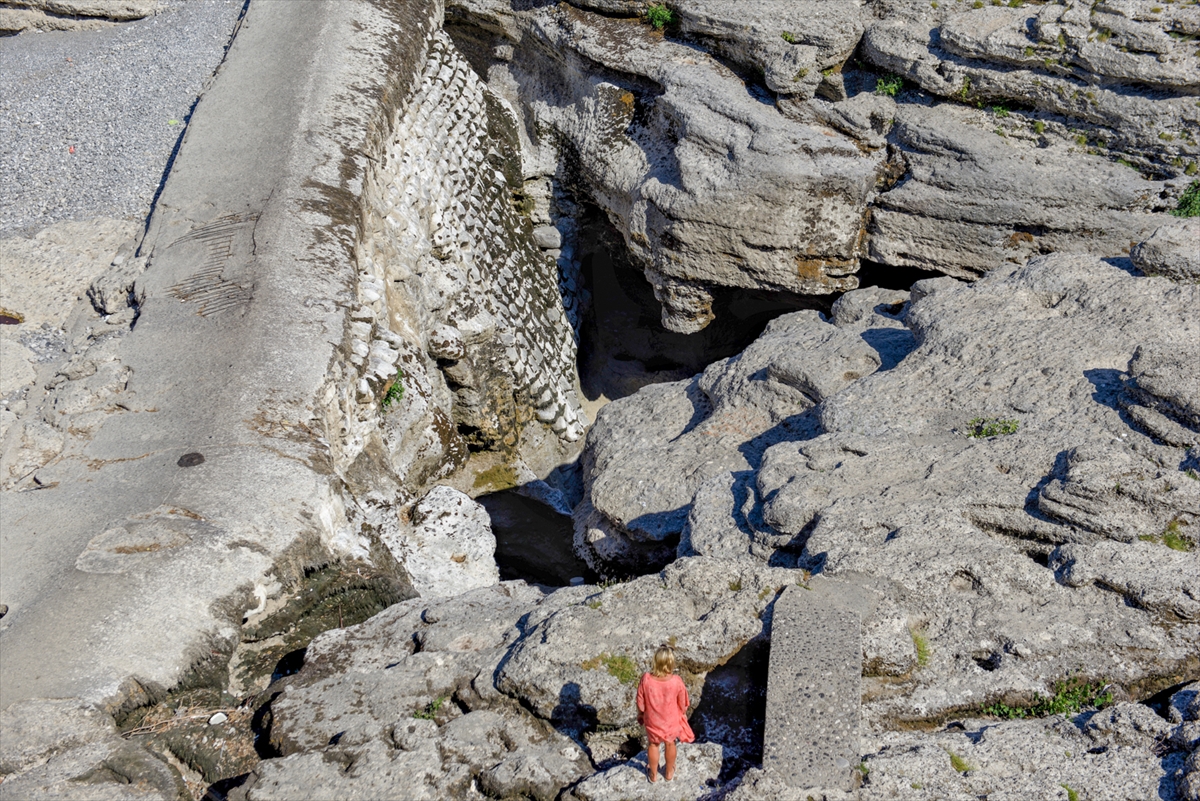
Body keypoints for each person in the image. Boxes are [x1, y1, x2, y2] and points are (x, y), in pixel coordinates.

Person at [635, 644, 695, 783]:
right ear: (671, 663)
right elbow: (683, 703)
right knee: (670, 743)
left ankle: (653, 774)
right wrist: (682, 714)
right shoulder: (676, 681)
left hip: (653, 720)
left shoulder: (646, 679)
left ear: (655, 661)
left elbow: (640, 702)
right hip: (671, 720)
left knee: (653, 745)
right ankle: (668, 773)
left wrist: (641, 714)